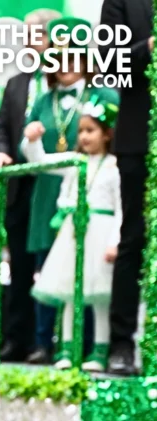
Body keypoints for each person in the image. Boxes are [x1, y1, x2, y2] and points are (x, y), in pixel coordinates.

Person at [23, 16, 118, 364]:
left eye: (72, 57)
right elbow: (35, 154)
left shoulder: (104, 96)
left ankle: (95, 346)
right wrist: (29, 138)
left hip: (97, 201)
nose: (64, 66)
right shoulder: (42, 100)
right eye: (57, 58)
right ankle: (46, 344)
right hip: (51, 193)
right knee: (52, 268)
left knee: (94, 276)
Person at [0, 9, 59, 361]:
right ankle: (17, 338)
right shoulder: (17, 82)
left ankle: (48, 340)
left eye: (37, 34)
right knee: (17, 262)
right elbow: (1, 127)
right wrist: (0, 153)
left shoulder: (63, 78)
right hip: (19, 186)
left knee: (50, 261)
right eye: (27, 35)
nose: (30, 41)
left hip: (53, 184)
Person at [100, 0, 154, 375]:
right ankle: (122, 344)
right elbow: (109, 67)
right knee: (134, 236)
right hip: (138, 139)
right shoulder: (120, 2)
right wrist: (147, 49)